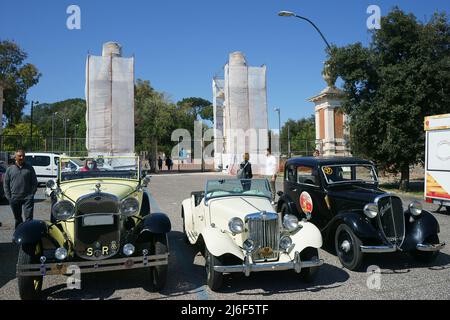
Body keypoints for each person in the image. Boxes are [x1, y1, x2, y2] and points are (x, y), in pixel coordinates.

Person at [3, 149, 38, 229]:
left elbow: (34, 183)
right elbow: (6, 184)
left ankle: (28, 235)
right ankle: (18, 234)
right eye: (19, 156)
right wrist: (9, 197)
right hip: (14, 198)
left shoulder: (30, 168)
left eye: (23, 156)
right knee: (18, 219)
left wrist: (31, 194)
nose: (22, 157)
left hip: (27, 198)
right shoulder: (10, 169)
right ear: (15, 157)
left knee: (29, 219)